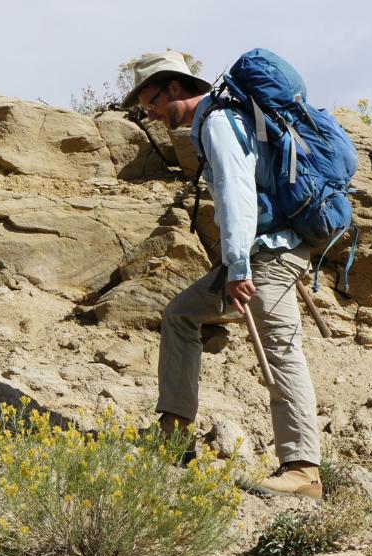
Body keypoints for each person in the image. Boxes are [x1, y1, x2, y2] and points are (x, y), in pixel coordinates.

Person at [120, 51, 322, 499]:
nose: (148, 112)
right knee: (182, 314)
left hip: (267, 256)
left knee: (281, 351)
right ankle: (174, 435)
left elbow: (236, 193)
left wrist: (237, 266)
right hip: (263, 250)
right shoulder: (220, 119)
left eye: (150, 99)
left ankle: (304, 470)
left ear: (174, 88)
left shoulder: (217, 123)